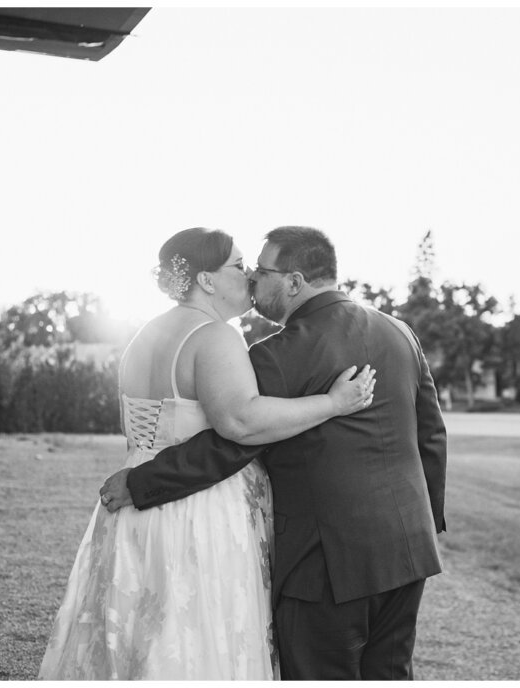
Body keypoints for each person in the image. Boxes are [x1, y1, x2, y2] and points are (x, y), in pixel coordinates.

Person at [100, 226, 447, 680]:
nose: (251, 282)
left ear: (294, 282)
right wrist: (427, 522)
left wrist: (140, 482)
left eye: (261, 272)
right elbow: (432, 436)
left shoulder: (279, 353)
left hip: (325, 563)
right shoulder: (400, 332)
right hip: (406, 550)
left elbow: (233, 441)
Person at [38, 228, 376, 680]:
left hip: (136, 503)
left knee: (138, 639)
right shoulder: (215, 336)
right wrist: (334, 404)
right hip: (197, 511)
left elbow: (138, 434)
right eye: (238, 266)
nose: (251, 276)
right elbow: (241, 421)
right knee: (194, 639)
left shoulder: (144, 336)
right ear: (207, 281)